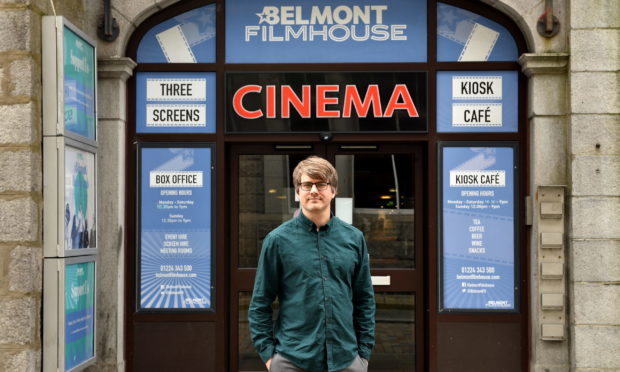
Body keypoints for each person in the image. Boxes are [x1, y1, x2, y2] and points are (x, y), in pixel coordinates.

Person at [249, 156, 375, 372]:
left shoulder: (354, 238)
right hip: (292, 360)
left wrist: (363, 354)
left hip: (346, 360)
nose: (314, 191)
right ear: (298, 192)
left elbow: (364, 299)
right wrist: (270, 358)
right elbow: (260, 302)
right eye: (307, 185)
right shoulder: (277, 241)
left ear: (333, 191)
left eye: (322, 184)